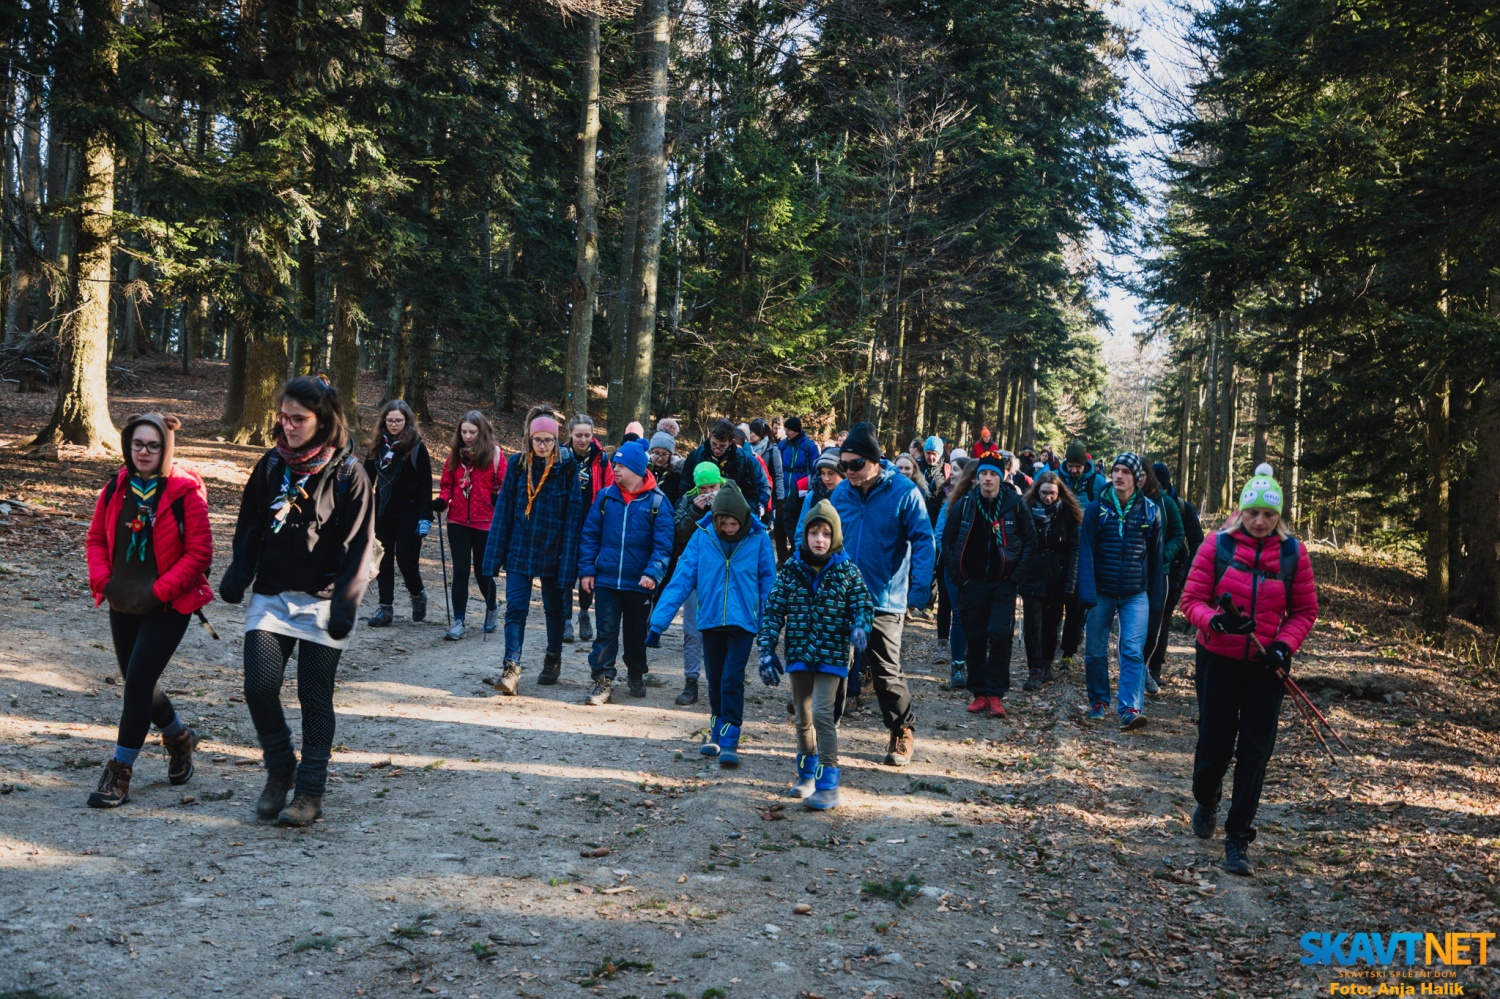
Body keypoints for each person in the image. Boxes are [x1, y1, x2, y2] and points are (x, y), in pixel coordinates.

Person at [220, 375, 375, 827]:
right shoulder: (271, 465)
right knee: (259, 687)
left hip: (325, 600)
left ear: (321, 418)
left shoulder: (350, 473)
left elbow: (357, 544)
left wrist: (347, 603)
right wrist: (239, 571)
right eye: (283, 417)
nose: (287, 426)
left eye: (298, 419)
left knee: (314, 697)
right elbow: (250, 523)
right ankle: (280, 766)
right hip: (272, 593)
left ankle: (309, 791)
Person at [1181, 464, 1317, 876]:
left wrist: (1283, 645)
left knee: (1255, 751)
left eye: (1269, 515)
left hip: (1266, 667)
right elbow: (1190, 600)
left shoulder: (1294, 554)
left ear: (1279, 518)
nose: (1260, 522)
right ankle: (1206, 797)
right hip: (1217, 659)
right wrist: (1215, 621)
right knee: (1214, 744)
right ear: (1240, 511)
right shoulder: (1216, 546)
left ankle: (1238, 839)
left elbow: (1305, 611)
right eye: (1253, 513)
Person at [84, 413, 214, 808]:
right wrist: (105, 581)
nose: (144, 452)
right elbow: (94, 539)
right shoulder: (115, 488)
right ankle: (179, 739)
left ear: (166, 449)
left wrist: (159, 591)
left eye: (153, 445)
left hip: (169, 604)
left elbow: (199, 553)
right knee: (139, 681)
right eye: (138, 444)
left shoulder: (183, 492)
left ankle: (119, 773)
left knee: (138, 681)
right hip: (122, 600)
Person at [796, 422, 934, 767]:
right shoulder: (840, 494)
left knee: (886, 672)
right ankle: (827, 730)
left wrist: (919, 589)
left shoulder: (904, 492)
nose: (849, 471)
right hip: (841, 597)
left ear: (874, 460)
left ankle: (902, 730)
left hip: (884, 600)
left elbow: (923, 540)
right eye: (844, 465)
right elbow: (827, 540)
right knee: (835, 666)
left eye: (855, 464)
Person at [648, 481, 776, 768]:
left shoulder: (759, 538)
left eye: (733, 523)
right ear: (716, 519)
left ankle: (731, 738)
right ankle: (717, 730)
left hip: (744, 620)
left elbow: (769, 584)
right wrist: (658, 624)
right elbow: (681, 579)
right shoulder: (702, 536)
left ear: (742, 519)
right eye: (723, 523)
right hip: (711, 619)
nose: (729, 529)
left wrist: (769, 629)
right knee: (715, 679)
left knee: (732, 678)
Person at [757, 501, 875, 809]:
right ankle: (806, 773)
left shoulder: (847, 570)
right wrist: (766, 650)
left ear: (834, 536)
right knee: (802, 717)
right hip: (799, 653)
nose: (819, 539)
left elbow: (863, 604)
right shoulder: (791, 571)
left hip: (833, 655)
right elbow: (772, 611)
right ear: (805, 535)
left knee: (823, 714)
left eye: (825, 533)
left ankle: (828, 781)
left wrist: (860, 627)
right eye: (813, 532)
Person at [482, 414, 585, 693]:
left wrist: (568, 561)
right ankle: (511, 666)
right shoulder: (517, 464)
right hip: (520, 548)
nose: (542, 445)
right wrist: (493, 557)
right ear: (529, 439)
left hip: (553, 550)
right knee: (516, 608)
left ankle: (553, 658)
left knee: (555, 609)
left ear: (556, 441)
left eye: (548, 440)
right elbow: (503, 511)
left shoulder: (567, 468)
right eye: (537, 440)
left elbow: (573, 518)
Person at [577, 441, 674, 705]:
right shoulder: (605, 496)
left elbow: (663, 545)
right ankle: (602, 680)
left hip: (639, 583)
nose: (615, 470)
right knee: (606, 632)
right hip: (607, 579)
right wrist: (587, 570)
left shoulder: (658, 501)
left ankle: (636, 673)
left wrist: (653, 573)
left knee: (635, 634)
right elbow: (590, 535)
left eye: (619, 466)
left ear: (634, 468)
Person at [941, 452, 1036, 717]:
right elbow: (947, 541)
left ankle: (996, 694)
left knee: (1000, 636)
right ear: (977, 476)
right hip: (972, 583)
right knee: (976, 637)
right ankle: (979, 693)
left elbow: (1030, 542)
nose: (987, 479)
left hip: (1003, 583)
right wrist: (959, 576)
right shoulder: (966, 504)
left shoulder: (1015, 504)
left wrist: (1015, 576)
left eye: (993, 474)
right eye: (983, 473)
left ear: (1003, 476)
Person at [1077, 452, 1163, 730]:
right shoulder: (1095, 509)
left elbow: (1156, 558)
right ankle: (1098, 701)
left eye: (1126, 471)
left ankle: (1129, 708)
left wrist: (1156, 599)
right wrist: (1086, 592)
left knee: (1131, 650)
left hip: (1135, 593)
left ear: (1137, 478)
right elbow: (1086, 553)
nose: (1118, 475)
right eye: (1115, 470)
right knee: (1094, 651)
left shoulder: (1151, 510)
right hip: (1101, 592)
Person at [435, 411, 505, 641]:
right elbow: (447, 484)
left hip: (485, 521)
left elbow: (505, 485)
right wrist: (442, 501)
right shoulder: (455, 455)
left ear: (481, 432)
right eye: (464, 431)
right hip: (457, 521)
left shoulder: (494, 454)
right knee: (461, 570)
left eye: (472, 432)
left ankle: (492, 606)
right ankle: (458, 621)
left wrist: (498, 497)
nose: (467, 436)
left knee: (482, 571)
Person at [364, 400, 433, 627]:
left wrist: (425, 516)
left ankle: (417, 594)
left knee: (406, 561)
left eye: (399, 421)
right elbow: (366, 481)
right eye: (390, 420)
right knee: (382, 560)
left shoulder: (416, 447)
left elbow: (425, 484)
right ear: (384, 420)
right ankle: (385, 608)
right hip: (382, 511)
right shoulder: (376, 446)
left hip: (409, 512)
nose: (394, 425)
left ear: (407, 421)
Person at [666, 463, 725, 705]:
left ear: (720, 484)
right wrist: (695, 512)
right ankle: (691, 681)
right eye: (703, 488)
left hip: (723, 576)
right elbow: (678, 533)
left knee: (721, 631)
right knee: (691, 629)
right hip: (694, 573)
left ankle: (720, 683)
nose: (708, 492)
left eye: (712, 487)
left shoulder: (734, 499)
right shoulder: (687, 501)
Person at [1019, 471, 1081, 691]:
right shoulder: (1025, 510)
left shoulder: (1068, 514)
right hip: (1032, 575)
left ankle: (1046, 663)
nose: (1048, 498)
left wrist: (1070, 580)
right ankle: (1034, 668)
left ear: (1059, 493)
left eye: (1052, 493)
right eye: (1044, 493)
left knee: (1051, 624)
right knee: (1033, 625)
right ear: (1038, 491)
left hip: (1058, 575)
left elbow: (1074, 548)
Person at [562, 414, 614, 644]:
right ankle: (565, 620)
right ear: (570, 434)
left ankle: (584, 613)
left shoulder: (601, 459)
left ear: (593, 435)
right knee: (565, 572)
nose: (583, 440)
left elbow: (610, 490)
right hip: (565, 523)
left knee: (587, 571)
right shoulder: (560, 455)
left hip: (592, 524)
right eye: (579, 435)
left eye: (587, 435)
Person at [1147, 460, 1201, 678]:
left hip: (1175, 570)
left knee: (1163, 619)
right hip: (1149, 569)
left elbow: (1196, 541)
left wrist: (1189, 572)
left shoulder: (1182, 507)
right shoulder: (1145, 502)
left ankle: (1155, 669)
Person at [1140, 464, 1186, 695]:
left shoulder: (1166, 503)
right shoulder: (1124, 501)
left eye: (1141, 474)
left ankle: (1146, 668)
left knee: (1154, 627)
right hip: (1131, 573)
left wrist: (1163, 556)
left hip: (1160, 574)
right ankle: (1136, 672)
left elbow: (1179, 535)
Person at [681, 418, 772, 520]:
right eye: (714, 444)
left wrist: (749, 515)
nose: (717, 450)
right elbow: (684, 488)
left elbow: (753, 493)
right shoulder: (696, 456)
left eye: (722, 446)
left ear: (731, 442)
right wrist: (689, 510)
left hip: (734, 516)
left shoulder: (745, 460)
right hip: (700, 513)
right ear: (709, 437)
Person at [748, 419, 785, 536]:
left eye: (752, 432)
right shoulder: (747, 449)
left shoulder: (772, 450)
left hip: (767, 494)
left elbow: (778, 475)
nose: (750, 434)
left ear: (760, 434)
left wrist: (780, 498)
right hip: (751, 491)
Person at [1060, 439, 1108, 503]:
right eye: (1070, 466)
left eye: (1078, 466)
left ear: (1085, 464)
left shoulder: (1099, 482)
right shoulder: (1056, 478)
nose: (1074, 470)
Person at [648, 431, 685, 504]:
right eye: (656, 453)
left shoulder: (677, 475)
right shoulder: (645, 471)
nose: (660, 458)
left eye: (664, 454)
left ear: (671, 455)